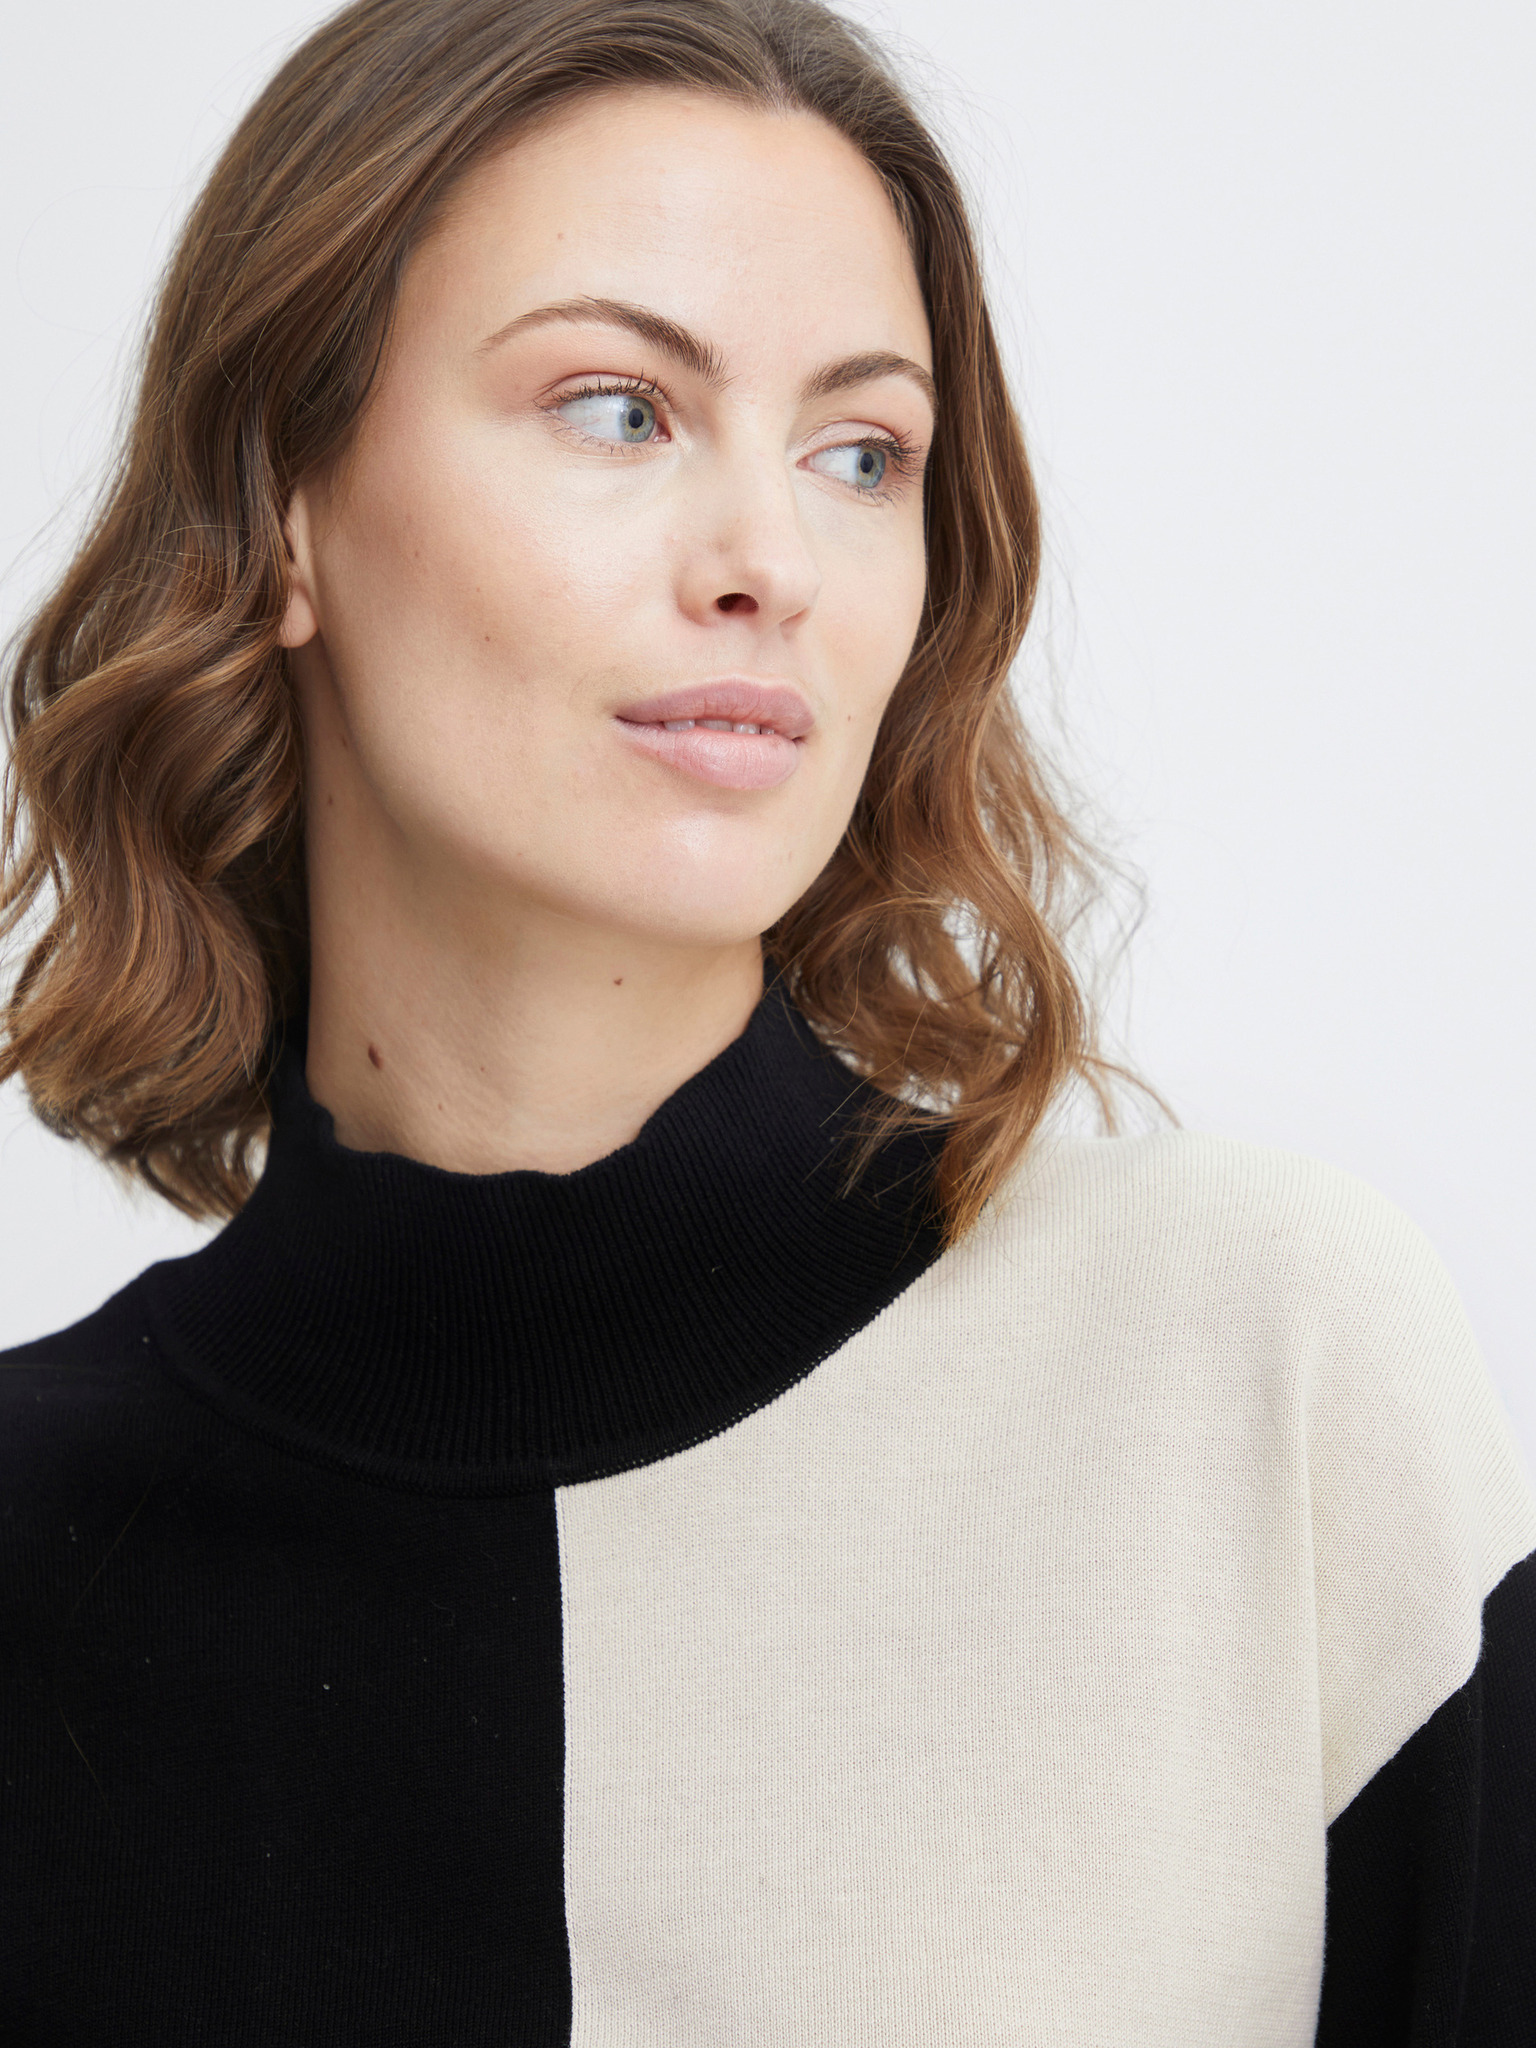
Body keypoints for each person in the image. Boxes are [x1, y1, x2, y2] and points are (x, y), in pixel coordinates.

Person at [1, 0, 1531, 2040]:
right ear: (283, 502)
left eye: (859, 453)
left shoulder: (1258, 1376)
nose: (770, 562)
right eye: (617, 410)